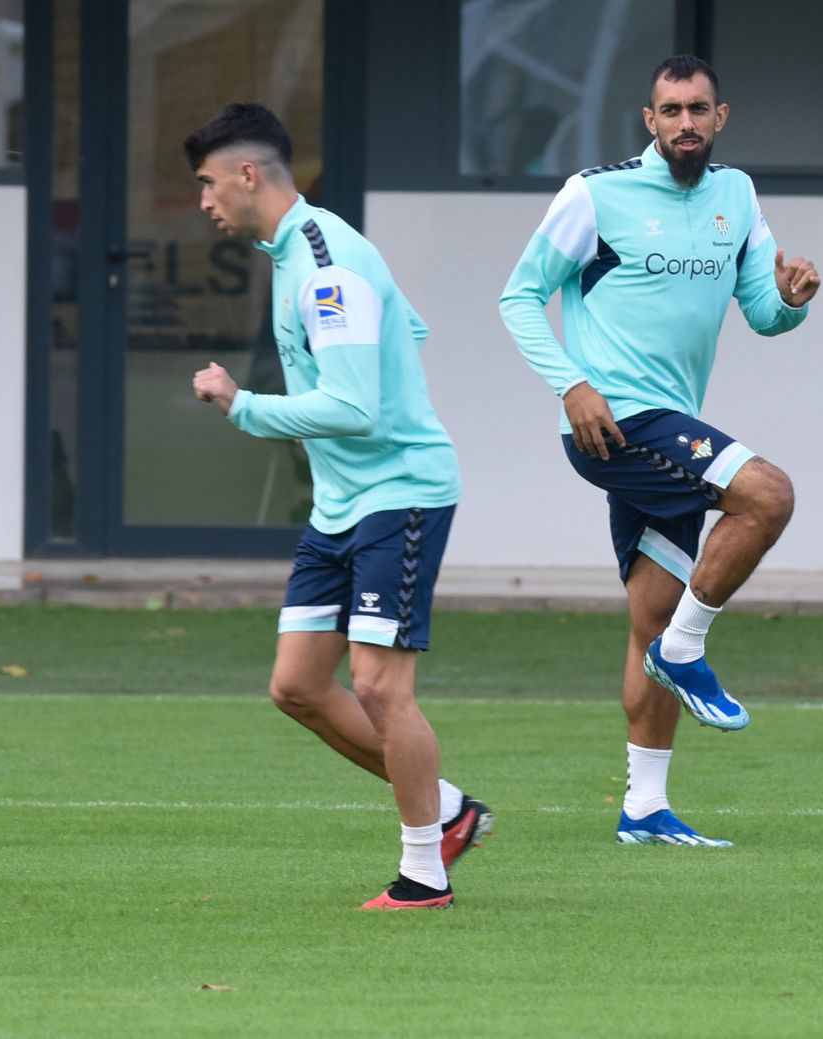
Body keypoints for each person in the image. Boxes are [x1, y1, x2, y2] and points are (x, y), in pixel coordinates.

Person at [498, 56, 821, 847]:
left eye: (697, 109)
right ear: (648, 120)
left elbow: (759, 313)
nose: (684, 122)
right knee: (768, 494)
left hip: (672, 424)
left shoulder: (736, 196)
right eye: (670, 109)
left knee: (650, 615)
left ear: (721, 117)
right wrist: (570, 384)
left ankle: (644, 806)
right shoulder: (595, 193)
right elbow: (518, 295)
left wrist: (789, 301)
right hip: (613, 425)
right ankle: (689, 646)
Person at [184, 103, 490, 909]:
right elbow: (409, 327)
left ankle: (424, 872)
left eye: (209, 184)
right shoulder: (294, 252)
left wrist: (242, 405)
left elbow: (353, 406)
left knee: (383, 688)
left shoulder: (323, 263)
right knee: (297, 685)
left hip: (401, 496)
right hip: (342, 503)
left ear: (249, 174)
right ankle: (450, 807)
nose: (204, 202)